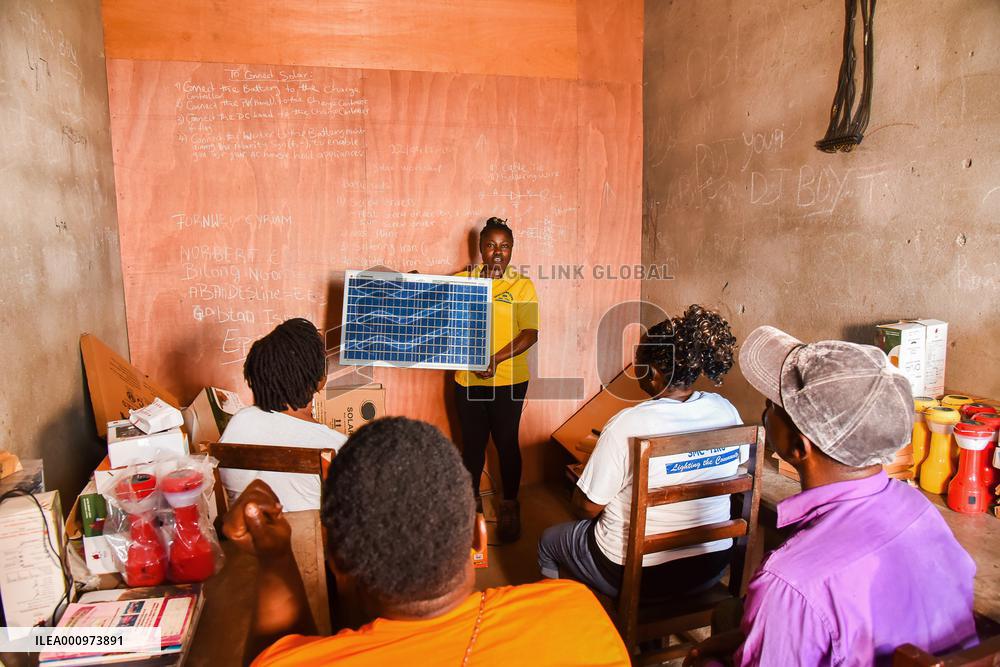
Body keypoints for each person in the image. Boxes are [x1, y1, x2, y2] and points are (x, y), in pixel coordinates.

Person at [223, 417, 630, 666]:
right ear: (478, 537)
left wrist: (276, 560)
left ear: (337, 565)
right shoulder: (577, 611)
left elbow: (278, 656)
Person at [688, 326, 977, 666]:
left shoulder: (790, 584)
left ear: (798, 447)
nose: (765, 411)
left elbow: (805, 606)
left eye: (772, 405)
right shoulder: (919, 511)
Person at [539, 305, 744, 599]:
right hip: (710, 567)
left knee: (549, 541)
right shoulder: (725, 410)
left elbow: (586, 507)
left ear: (654, 374)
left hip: (639, 574)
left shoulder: (628, 423)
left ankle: (573, 622)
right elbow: (737, 467)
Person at [453, 217, 539, 542]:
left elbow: (530, 334)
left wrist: (495, 359)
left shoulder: (522, 286)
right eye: (491, 245)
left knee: (506, 444)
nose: (498, 253)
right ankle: (470, 507)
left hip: (509, 382)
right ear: (480, 249)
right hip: (468, 381)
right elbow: (437, 308)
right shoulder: (463, 281)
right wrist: (419, 287)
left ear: (512, 250)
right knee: (472, 446)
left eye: (504, 246)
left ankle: (509, 505)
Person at [219, 318, 346, 512]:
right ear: (320, 376)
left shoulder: (239, 422)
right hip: (308, 541)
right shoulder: (335, 447)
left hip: (242, 538)